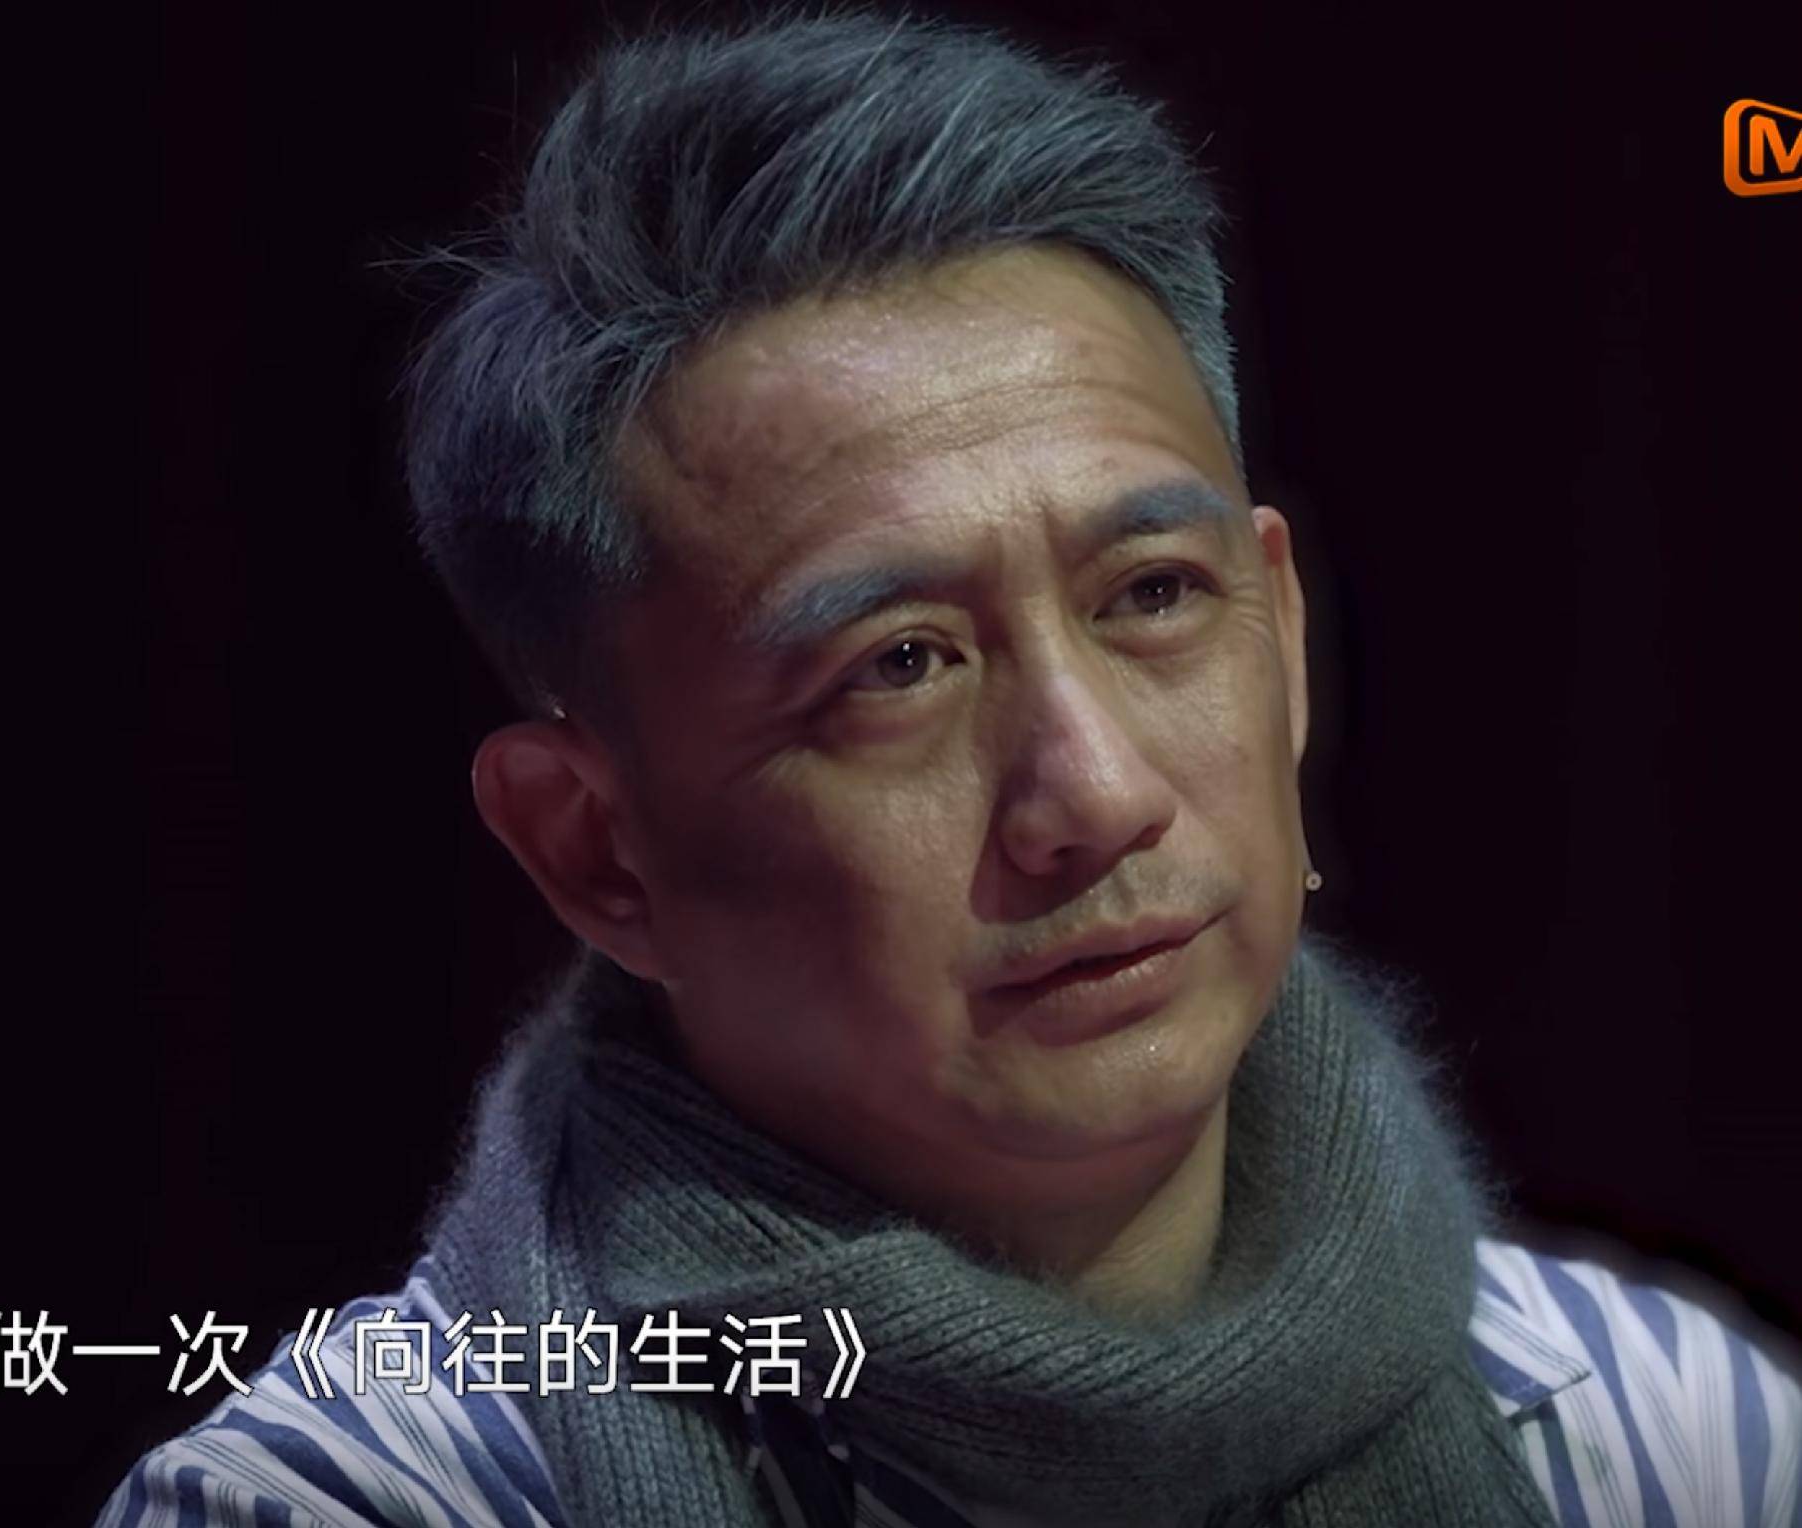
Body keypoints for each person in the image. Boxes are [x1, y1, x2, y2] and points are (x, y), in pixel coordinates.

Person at [95, 9, 1801, 1526]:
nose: (1095, 797)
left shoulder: (1667, 1439)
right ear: (596, 850)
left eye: (1153, 596)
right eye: (897, 668)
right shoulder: (357, 1501)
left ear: (1281, 642)